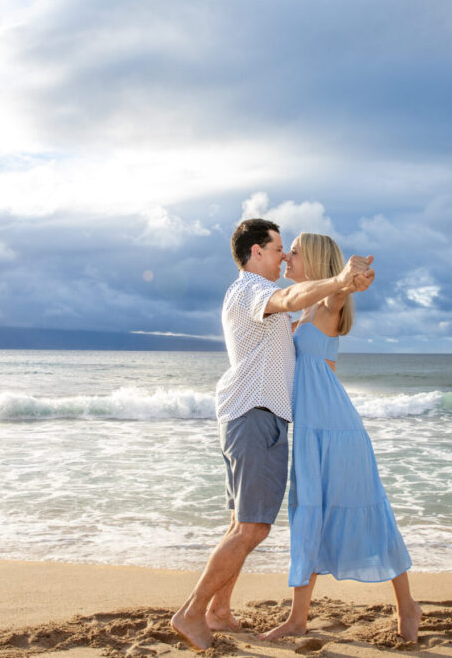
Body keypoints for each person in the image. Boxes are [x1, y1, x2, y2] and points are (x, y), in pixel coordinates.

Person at [172, 219, 374, 651]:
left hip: (249, 416)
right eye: (278, 248)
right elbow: (288, 296)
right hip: (255, 416)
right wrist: (338, 278)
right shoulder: (252, 290)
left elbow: (315, 316)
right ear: (256, 252)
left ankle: (219, 612)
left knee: (239, 523)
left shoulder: (255, 296)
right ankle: (192, 612)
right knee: (253, 528)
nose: (284, 256)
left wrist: (346, 285)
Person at [260, 232, 421, 643]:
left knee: (370, 512)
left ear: (312, 259)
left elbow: (342, 290)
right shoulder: (303, 306)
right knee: (308, 515)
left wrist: (353, 275)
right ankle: (297, 619)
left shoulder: (330, 302)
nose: (287, 258)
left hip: (340, 432)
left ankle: (407, 605)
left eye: (293, 252)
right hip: (312, 433)